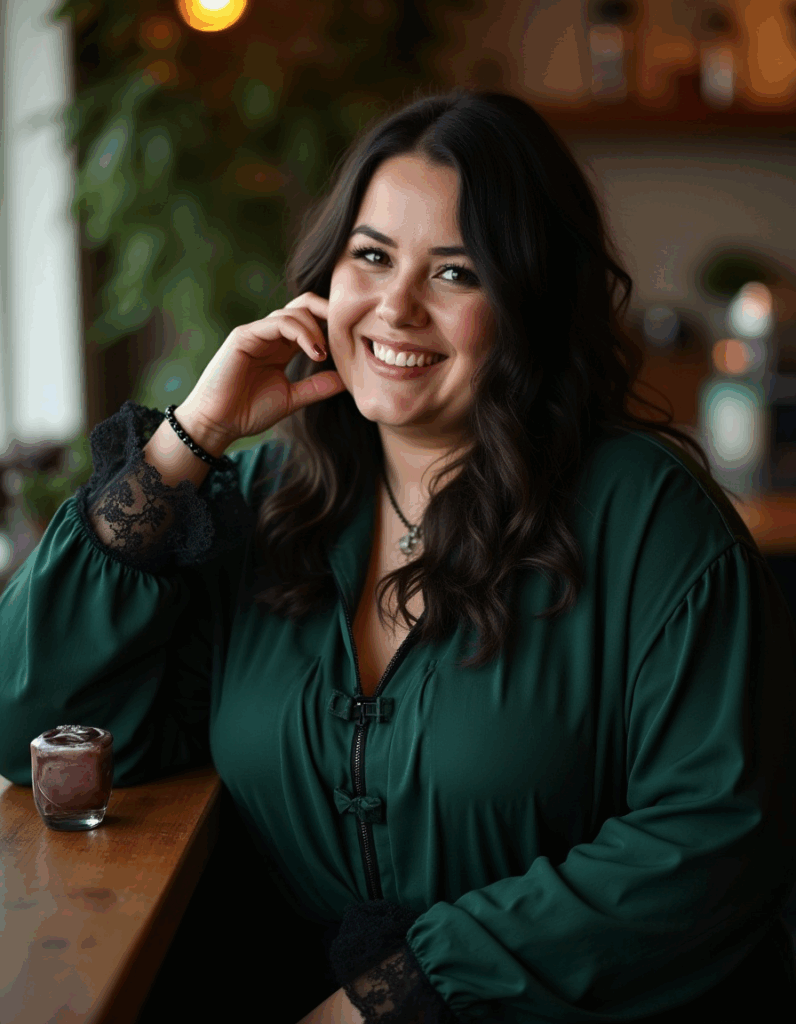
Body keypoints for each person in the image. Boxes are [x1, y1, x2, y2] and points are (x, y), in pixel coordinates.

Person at [1, 88, 795, 1024]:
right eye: (371, 258)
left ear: (529, 298)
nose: (397, 307)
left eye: (455, 274)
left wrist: (397, 997)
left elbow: (712, 845)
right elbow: (36, 726)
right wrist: (190, 436)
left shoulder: (655, 520)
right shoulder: (263, 504)